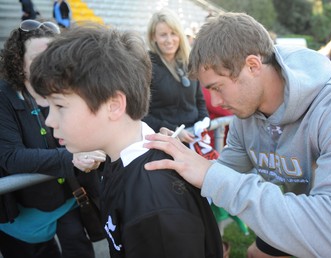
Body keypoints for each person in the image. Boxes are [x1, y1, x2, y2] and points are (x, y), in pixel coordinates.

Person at [143, 12, 331, 257]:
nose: (217, 102)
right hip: (303, 208)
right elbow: (223, 173)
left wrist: (214, 176)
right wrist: (179, 158)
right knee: (257, 254)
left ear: (253, 65)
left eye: (218, 88)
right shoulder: (247, 113)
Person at [29, 24, 223, 258]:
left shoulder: (155, 206)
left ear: (114, 106)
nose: (49, 120)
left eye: (59, 105)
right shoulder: (119, 161)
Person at [0, 19, 105, 258]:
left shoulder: (66, 87)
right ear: (19, 62)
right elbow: (10, 156)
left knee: (79, 249)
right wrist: (71, 158)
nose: (46, 66)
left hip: (67, 199)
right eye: (37, 59)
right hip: (21, 211)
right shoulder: (3, 96)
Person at [143, 8, 210, 145]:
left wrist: (204, 122)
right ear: (153, 37)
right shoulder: (146, 66)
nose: (169, 40)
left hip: (194, 140)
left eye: (173, 33)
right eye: (163, 35)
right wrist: (174, 130)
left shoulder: (188, 62)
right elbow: (141, 115)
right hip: (165, 143)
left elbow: (199, 101)